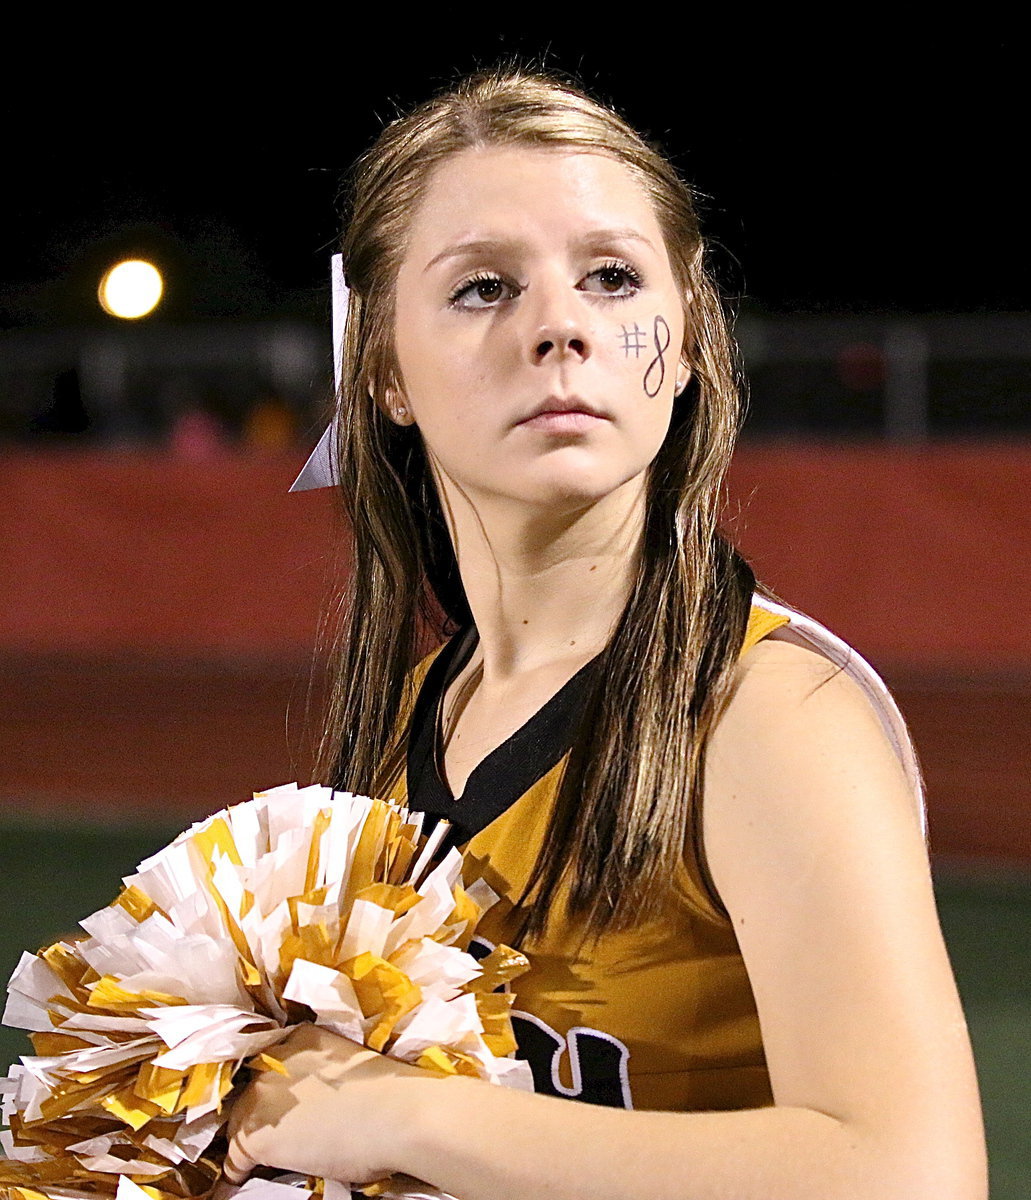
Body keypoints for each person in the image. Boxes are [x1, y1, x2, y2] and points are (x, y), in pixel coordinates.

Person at [223, 69, 987, 1199]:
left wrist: (404, 1116)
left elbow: (908, 1176)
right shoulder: (413, 715)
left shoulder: (764, 712)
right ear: (381, 369)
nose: (560, 326)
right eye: (483, 287)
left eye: (613, 277)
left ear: (683, 346)